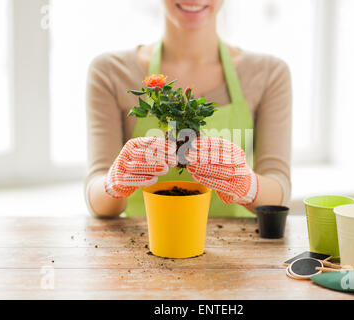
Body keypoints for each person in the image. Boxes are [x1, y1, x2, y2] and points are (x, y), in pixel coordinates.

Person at [85, 0, 292, 218]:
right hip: (143, 241)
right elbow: (98, 201)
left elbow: (279, 192)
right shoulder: (110, 71)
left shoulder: (269, 73)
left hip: (238, 246)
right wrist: (114, 182)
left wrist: (247, 184)